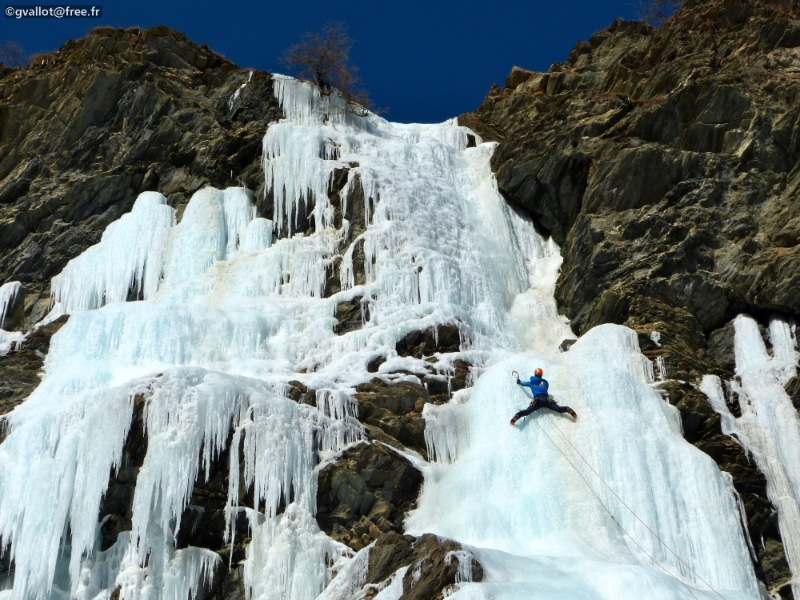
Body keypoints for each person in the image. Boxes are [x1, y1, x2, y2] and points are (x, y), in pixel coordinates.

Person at [510, 367, 577, 425]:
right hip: (546, 399)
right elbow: (546, 388)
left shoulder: (531, 383)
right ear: (541, 375)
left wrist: (519, 381)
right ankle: (567, 409)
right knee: (558, 409)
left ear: (535, 374)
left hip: (537, 400)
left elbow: (522, 383)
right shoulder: (545, 382)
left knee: (527, 411)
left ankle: (517, 416)